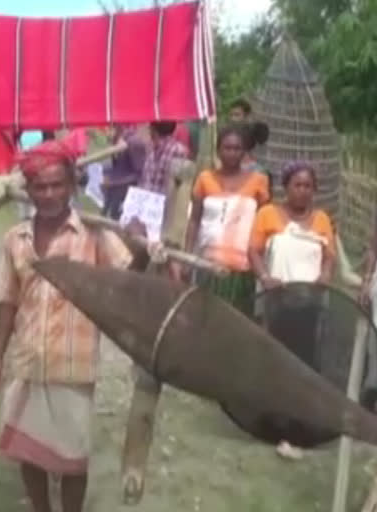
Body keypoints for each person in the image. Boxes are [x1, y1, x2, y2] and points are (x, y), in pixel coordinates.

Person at [0, 136, 132, 512]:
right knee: (28, 450)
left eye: (57, 185)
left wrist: (144, 244)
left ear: (71, 186)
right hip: (29, 360)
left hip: (73, 365)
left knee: (71, 456)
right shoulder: (15, 239)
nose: (49, 194)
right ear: (28, 191)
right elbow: (7, 300)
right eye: (40, 186)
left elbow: (130, 277)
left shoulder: (94, 233)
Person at [248, 162, 335, 460]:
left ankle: (297, 427)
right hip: (276, 302)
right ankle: (270, 421)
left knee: (304, 362)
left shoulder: (322, 219)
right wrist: (264, 277)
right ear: (287, 187)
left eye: (308, 186)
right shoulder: (268, 214)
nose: (303, 191)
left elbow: (328, 256)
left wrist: (325, 275)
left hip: (308, 305)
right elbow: (254, 251)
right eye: (297, 185)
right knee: (273, 358)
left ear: (315, 190)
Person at [176, 125, 271, 314]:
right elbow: (194, 221)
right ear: (218, 150)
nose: (232, 153)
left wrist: (262, 266)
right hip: (208, 264)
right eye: (227, 148)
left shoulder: (258, 181)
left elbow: (263, 225)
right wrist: (187, 259)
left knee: (237, 321)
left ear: (244, 152)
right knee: (205, 317)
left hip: (243, 269)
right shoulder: (205, 179)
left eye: (237, 149)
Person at [102, 125, 147, 221]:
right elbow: (112, 165)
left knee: (116, 222)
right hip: (113, 189)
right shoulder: (114, 141)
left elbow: (140, 170)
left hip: (125, 190)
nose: (106, 131)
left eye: (109, 127)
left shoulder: (133, 142)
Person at [138, 121, 189, 195]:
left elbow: (179, 185)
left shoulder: (178, 150)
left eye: (150, 127)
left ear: (153, 129)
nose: (148, 130)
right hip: (145, 200)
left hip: (164, 202)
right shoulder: (150, 148)